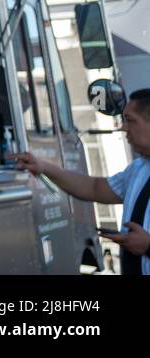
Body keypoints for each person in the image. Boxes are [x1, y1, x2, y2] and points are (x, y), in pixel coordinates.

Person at [13, 88, 150, 275]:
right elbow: (93, 188)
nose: (124, 128)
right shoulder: (139, 170)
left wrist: (148, 246)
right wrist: (43, 167)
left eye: (130, 120)